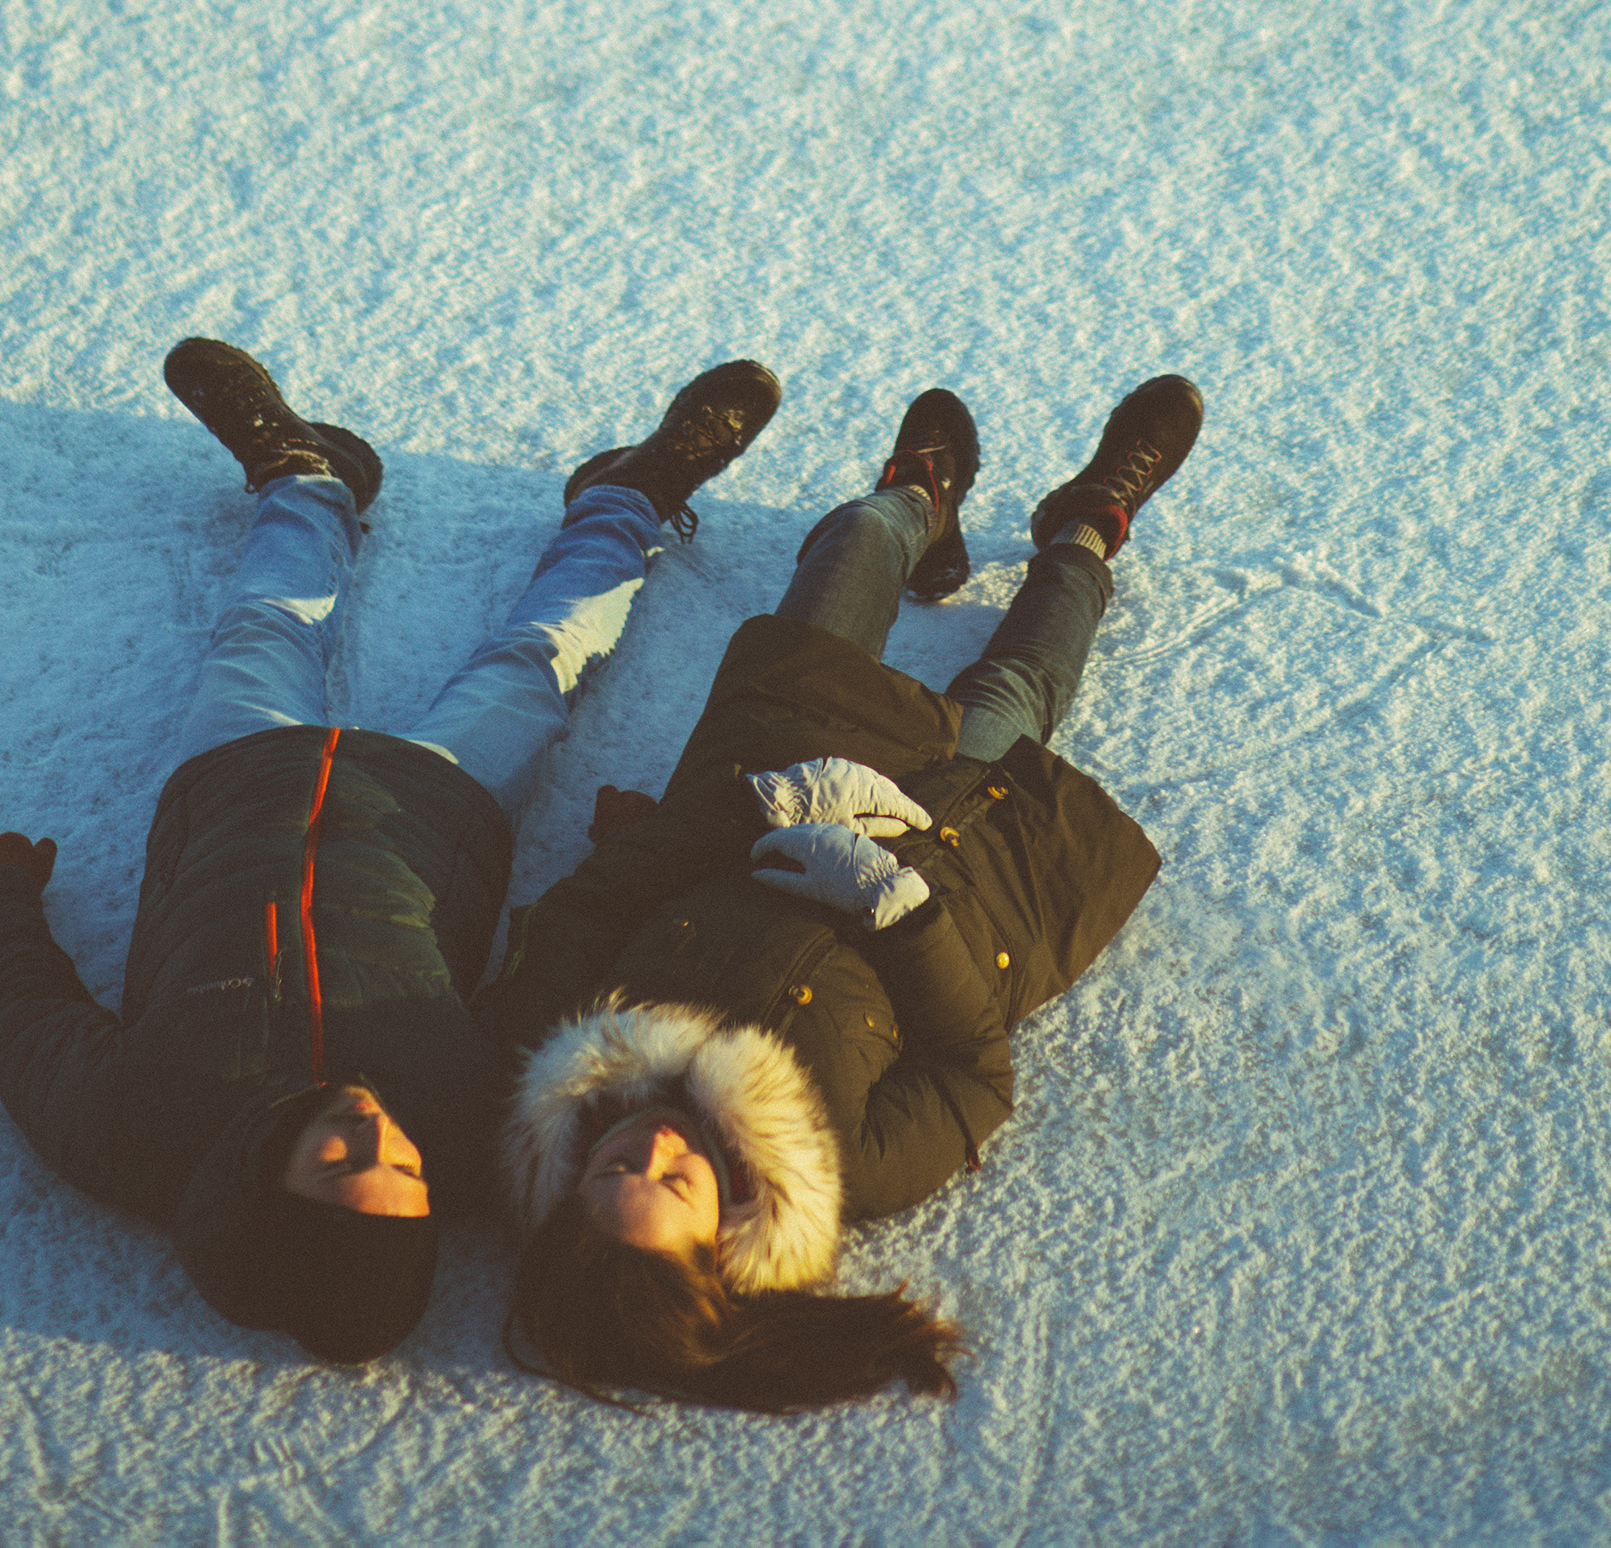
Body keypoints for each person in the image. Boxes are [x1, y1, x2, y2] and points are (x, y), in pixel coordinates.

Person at [0, 337, 780, 1364]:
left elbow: (25, 1021)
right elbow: (568, 960)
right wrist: (627, 851)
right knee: (544, 654)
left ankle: (311, 477)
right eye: (406, 1167)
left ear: (266, 1194)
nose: (374, 1121)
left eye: (341, 1157)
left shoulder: (135, 1132)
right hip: (437, 808)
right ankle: (628, 496)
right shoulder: (474, 1125)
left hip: (234, 784)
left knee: (263, 623)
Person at [486, 374, 1203, 1412]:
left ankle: (915, 498)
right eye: (674, 1184)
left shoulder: (556, 1057)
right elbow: (970, 1076)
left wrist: (760, 806)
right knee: (1015, 686)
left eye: (611, 1175)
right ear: (723, 1240)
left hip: (776, 772)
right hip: (946, 850)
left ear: (561, 1200)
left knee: (845, 565)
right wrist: (892, 907)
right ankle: (1085, 528)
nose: (650, 1147)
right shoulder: (835, 1167)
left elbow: (588, 902)